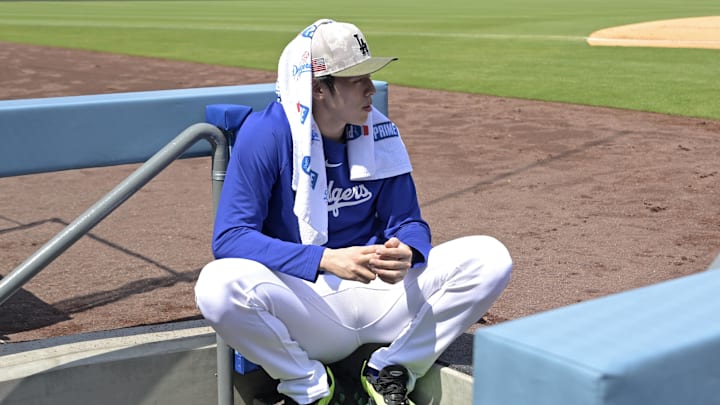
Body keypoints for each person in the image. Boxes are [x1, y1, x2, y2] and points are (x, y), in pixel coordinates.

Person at [194, 18, 512, 405]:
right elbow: (230, 237)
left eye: (370, 75)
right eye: (355, 78)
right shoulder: (267, 134)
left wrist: (408, 251)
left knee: (490, 257)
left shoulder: (379, 132)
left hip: (379, 293)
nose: (370, 89)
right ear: (317, 88)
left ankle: (392, 368)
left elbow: (408, 222)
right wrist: (324, 259)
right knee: (217, 285)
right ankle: (308, 386)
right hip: (307, 307)